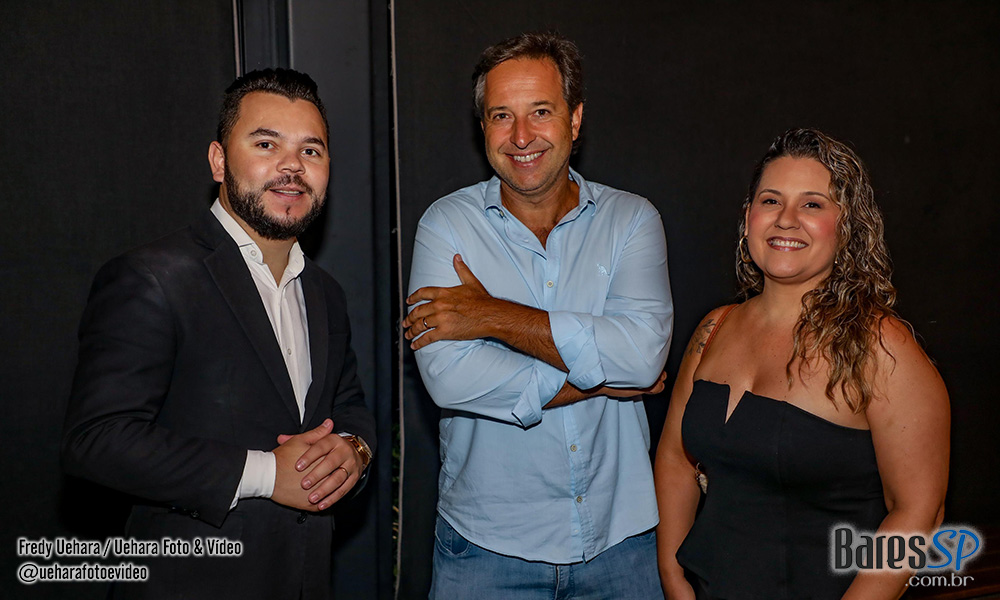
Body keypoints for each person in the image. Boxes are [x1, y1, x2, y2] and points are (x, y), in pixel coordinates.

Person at [62, 68, 376, 600]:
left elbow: (349, 407)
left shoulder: (325, 292)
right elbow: (96, 441)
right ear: (218, 160)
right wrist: (266, 474)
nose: (292, 166)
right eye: (266, 144)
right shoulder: (152, 277)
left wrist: (355, 450)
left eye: (311, 150)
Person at [402, 32, 673, 598]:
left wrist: (492, 317)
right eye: (502, 115)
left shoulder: (631, 220)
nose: (521, 136)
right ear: (483, 127)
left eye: (541, 112)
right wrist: (601, 381)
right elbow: (449, 378)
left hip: (619, 544)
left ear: (575, 119)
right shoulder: (446, 226)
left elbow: (642, 357)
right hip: (486, 550)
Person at [654, 128, 950, 600]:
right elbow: (675, 459)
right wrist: (673, 576)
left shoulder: (879, 346)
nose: (786, 220)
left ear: (847, 226)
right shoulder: (714, 327)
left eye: (812, 204)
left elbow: (919, 513)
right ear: (748, 218)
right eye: (771, 200)